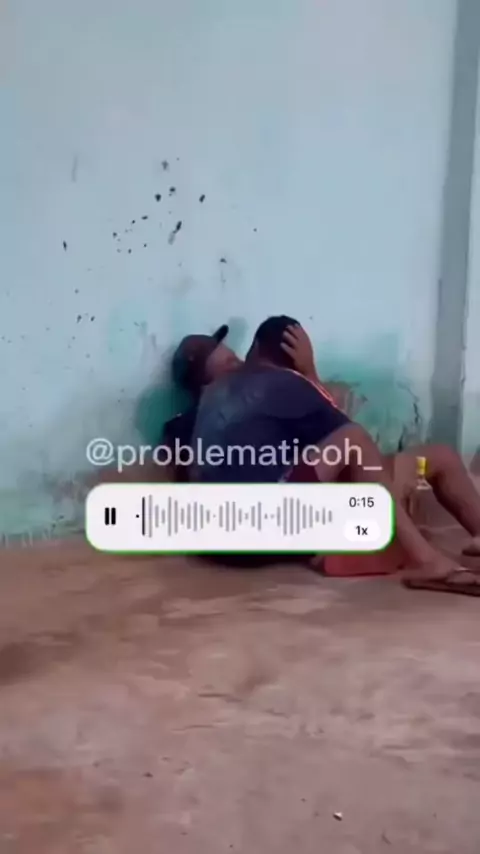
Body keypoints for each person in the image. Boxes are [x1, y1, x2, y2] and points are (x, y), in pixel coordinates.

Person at [180, 316, 480, 590]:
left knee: (429, 459)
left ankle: (364, 544)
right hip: (268, 524)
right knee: (359, 443)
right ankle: (423, 559)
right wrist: (309, 373)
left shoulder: (205, 409)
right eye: (229, 360)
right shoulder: (279, 384)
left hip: (222, 537)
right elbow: (354, 443)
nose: (238, 362)